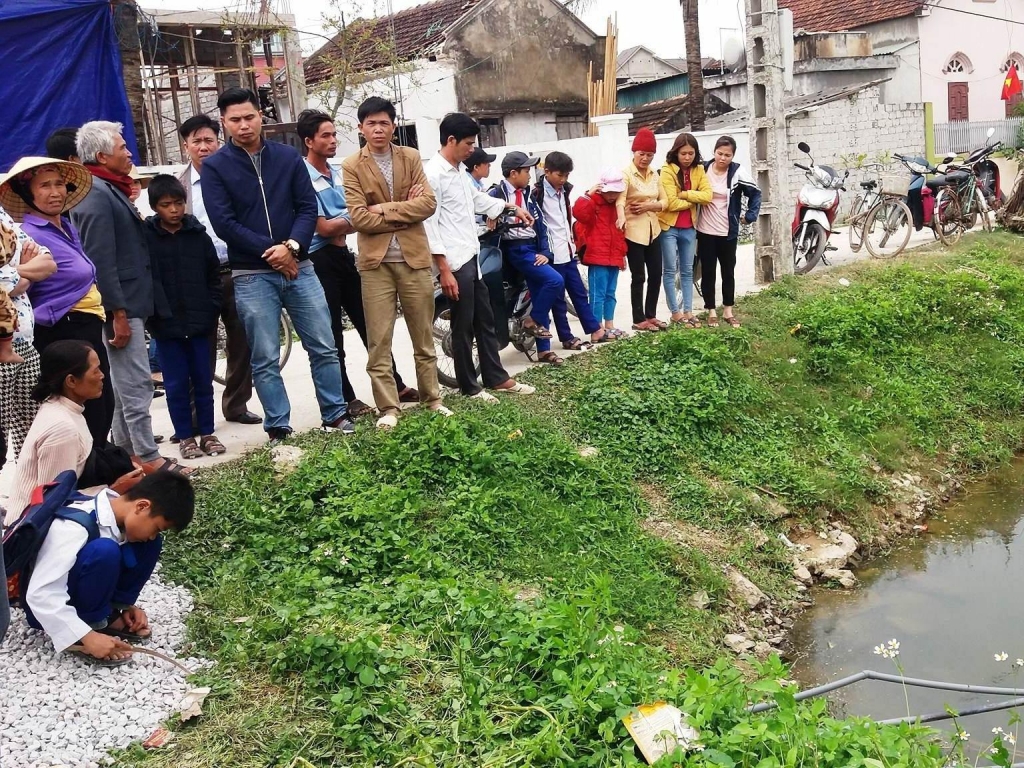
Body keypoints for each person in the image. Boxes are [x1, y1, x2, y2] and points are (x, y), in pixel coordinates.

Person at [201, 88, 353, 443]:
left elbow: (306, 207)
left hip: (301, 266)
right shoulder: (215, 168)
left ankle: (335, 414)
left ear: (260, 118)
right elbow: (225, 223)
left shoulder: (287, 158)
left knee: (324, 344)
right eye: (235, 119)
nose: (243, 125)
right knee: (265, 355)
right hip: (252, 274)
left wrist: (293, 247)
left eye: (249, 117)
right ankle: (279, 426)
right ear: (224, 122)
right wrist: (273, 251)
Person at [297, 109, 419, 419]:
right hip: (318, 259)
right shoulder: (302, 178)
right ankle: (346, 396)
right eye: (326, 135)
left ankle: (396, 384)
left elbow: (355, 216)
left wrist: (369, 214)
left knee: (371, 325)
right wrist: (368, 216)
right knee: (331, 332)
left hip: (343, 255)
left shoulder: (339, 172)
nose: (333, 140)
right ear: (309, 141)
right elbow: (324, 228)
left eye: (335, 134)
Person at [70, 122, 175, 472]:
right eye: (122, 147)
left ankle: (128, 455)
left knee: (119, 385)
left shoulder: (109, 188)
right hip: (119, 305)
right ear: (101, 156)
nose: (129, 153)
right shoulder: (95, 193)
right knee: (135, 385)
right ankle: (148, 457)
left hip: (128, 302)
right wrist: (116, 310)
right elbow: (99, 259)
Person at [341, 96, 447, 429]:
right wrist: (404, 210)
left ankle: (433, 399)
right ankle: (389, 408)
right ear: (361, 128)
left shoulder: (411, 157)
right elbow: (359, 218)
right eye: (370, 123)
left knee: (423, 336)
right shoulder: (351, 165)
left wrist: (383, 210)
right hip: (375, 264)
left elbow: (428, 204)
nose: (377, 128)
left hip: (414, 259)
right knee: (379, 340)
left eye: (383, 122)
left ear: (393, 126)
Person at [25, 472, 194, 665]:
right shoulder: (73, 527)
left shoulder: (118, 516)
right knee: (105, 550)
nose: (152, 535)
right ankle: (87, 629)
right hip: (46, 609)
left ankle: (110, 612)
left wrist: (127, 605)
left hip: (80, 588)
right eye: (156, 528)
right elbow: (40, 593)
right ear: (142, 506)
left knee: (148, 545)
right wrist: (87, 636)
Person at [423, 112, 536, 402]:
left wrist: (510, 207)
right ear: (451, 140)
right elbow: (429, 224)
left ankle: (496, 377)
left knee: (485, 320)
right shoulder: (434, 175)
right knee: (463, 326)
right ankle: (470, 387)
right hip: (454, 262)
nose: (473, 149)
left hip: (471, 256)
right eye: (469, 143)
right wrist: (443, 269)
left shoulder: (459, 171)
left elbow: (477, 201)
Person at [1, 157, 114, 447]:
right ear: (28, 194)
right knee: (80, 407)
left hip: (85, 325)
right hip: (60, 328)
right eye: (44, 186)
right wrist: (24, 272)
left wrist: (21, 274)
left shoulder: (65, 225)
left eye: (59, 184)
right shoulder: (30, 233)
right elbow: (15, 282)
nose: (55, 192)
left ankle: (95, 470)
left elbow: (46, 267)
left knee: (101, 402)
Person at [5, 341, 147, 526]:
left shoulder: (65, 409)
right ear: (71, 381)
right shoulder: (63, 429)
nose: (102, 376)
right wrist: (114, 490)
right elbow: (49, 504)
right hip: (28, 532)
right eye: (95, 370)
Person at [176, 114, 259, 426]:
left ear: (218, 141)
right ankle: (198, 415)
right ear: (186, 147)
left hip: (237, 268)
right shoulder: (179, 186)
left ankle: (237, 404)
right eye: (196, 141)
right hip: (198, 277)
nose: (203, 146)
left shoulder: (235, 176)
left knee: (242, 340)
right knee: (200, 344)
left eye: (208, 140)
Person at [144, 175, 225, 459]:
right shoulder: (147, 238)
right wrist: (154, 316)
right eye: (167, 205)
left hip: (200, 322)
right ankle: (186, 437)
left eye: (178, 203)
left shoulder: (198, 235)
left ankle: (208, 433)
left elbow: (213, 275)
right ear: (155, 207)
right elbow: (146, 279)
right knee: (176, 385)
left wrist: (211, 308)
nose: (174, 210)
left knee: (203, 381)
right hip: (166, 326)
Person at [489, 152, 567, 365]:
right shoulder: (496, 194)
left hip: (533, 250)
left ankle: (543, 350)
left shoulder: (528, 194)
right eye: (526, 171)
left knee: (539, 293)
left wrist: (545, 252)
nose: (530, 175)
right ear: (513, 174)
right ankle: (531, 321)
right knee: (554, 281)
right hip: (515, 251)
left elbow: (542, 226)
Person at [532, 151, 608, 348]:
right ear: (546, 172)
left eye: (566, 175)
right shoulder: (537, 195)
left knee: (579, 292)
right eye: (560, 175)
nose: (563, 179)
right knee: (558, 300)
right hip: (552, 254)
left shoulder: (564, 190)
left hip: (567, 250)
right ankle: (566, 337)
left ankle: (595, 329)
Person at [0, 206, 55, 460]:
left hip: (24, 340)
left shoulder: (1, 214)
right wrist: (24, 271)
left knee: (35, 431)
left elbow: (46, 261)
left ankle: (33, 493)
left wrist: (14, 272)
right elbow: (5, 286)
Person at [698, 135, 761, 328]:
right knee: (708, 272)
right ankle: (710, 310)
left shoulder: (737, 172)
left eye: (727, 155)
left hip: (728, 232)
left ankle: (728, 310)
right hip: (705, 231)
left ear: (732, 156)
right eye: (720, 153)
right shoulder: (702, 169)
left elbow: (755, 193)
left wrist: (749, 216)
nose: (723, 158)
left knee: (728, 272)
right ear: (714, 152)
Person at [617, 127, 668, 332]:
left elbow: (665, 201)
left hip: (653, 230)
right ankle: (639, 319)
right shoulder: (626, 174)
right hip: (634, 233)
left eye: (649, 155)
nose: (645, 158)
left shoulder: (655, 174)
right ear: (634, 152)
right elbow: (620, 200)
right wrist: (621, 218)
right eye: (642, 154)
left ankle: (651, 315)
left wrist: (650, 206)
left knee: (656, 274)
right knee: (639, 276)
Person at [659, 133, 712, 328]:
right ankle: (675, 312)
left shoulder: (699, 169)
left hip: (689, 227)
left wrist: (685, 194)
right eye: (683, 153)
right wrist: (692, 200)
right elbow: (670, 203)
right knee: (671, 270)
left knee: (688, 270)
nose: (687, 157)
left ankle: (688, 311)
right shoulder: (667, 170)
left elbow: (708, 196)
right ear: (676, 152)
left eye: (691, 153)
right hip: (669, 227)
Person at [573, 169, 629, 340]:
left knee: (610, 293)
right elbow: (578, 213)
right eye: (609, 192)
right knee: (597, 294)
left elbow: (620, 233)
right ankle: (596, 329)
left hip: (613, 256)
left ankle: (609, 325)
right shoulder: (593, 202)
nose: (612, 196)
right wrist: (588, 195)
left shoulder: (617, 207)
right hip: (597, 256)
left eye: (615, 192)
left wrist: (622, 255)